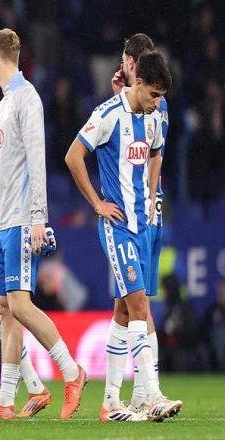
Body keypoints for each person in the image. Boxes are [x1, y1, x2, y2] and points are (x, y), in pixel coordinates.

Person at [65, 49, 183, 422]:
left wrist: (150, 196)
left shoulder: (151, 117)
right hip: (117, 227)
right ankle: (153, 396)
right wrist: (97, 203)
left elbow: (156, 155)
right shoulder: (107, 115)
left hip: (141, 224)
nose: (157, 103)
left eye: (162, 97)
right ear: (139, 83)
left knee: (123, 310)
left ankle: (111, 403)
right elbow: (72, 156)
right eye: (154, 94)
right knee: (140, 306)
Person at [0, 28, 85, 421]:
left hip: (23, 220)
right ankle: (5, 401)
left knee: (20, 304)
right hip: (0, 222)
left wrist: (39, 218)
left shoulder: (27, 98)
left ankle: (72, 373)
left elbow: (37, 161)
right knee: (5, 308)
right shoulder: (5, 103)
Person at [104, 33, 170, 421]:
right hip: (134, 214)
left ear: (133, 64)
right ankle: (135, 396)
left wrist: (150, 196)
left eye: (125, 61)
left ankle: (140, 395)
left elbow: (152, 152)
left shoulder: (152, 104)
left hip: (144, 214)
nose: (122, 66)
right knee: (130, 305)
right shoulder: (127, 104)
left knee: (137, 305)